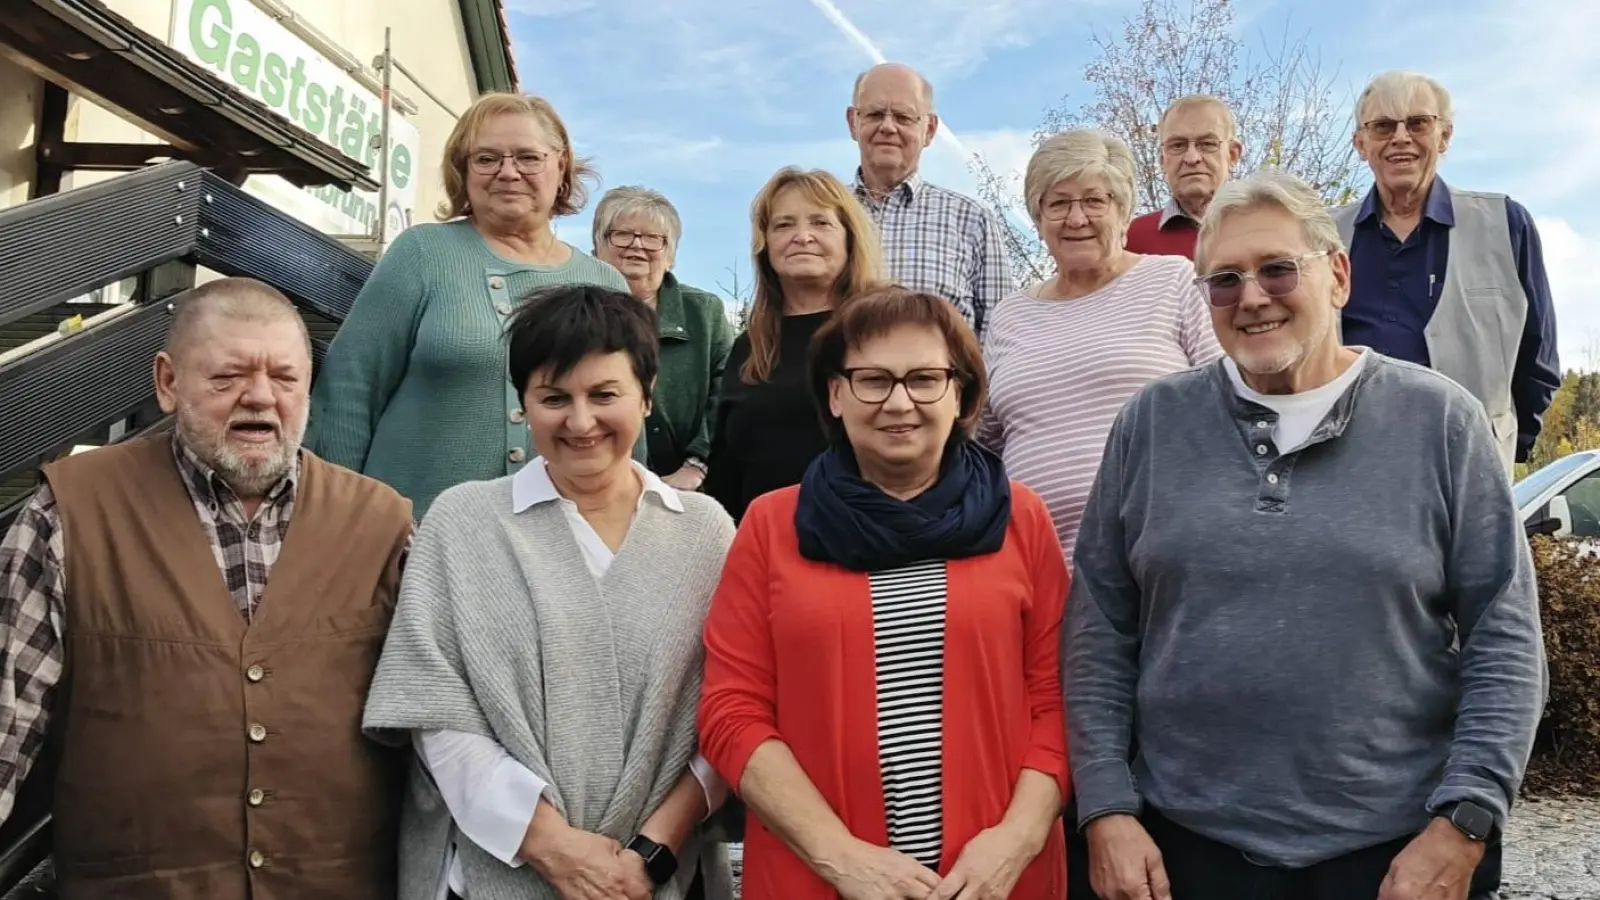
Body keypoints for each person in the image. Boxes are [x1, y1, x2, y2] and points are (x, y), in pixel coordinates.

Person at [1067, 169, 1544, 900]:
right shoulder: (1151, 426)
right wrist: (1105, 808)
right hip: (1186, 850)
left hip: (1395, 855)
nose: (1252, 297)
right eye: (1224, 280)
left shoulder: (1441, 422)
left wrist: (1466, 820)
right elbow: (1099, 628)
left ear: (1340, 275)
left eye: (1278, 268)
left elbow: (1505, 635)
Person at [0, 278, 414, 898]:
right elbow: (6, 719)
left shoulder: (385, 524)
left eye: (285, 377)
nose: (260, 398)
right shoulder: (70, 512)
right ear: (168, 383)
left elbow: (446, 729)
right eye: (227, 378)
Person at [362, 283, 736, 900]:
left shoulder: (707, 535)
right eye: (554, 398)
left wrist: (652, 852)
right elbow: (434, 710)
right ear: (524, 404)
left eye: (604, 395)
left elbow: (733, 711)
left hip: (661, 876)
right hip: (495, 873)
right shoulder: (463, 523)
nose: (580, 421)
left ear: (647, 397)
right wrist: (554, 848)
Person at [700, 286, 1071, 900]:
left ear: (961, 392)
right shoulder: (772, 525)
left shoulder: (1020, 519)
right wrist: (839, 857)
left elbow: (1058, 700)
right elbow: (731, 711)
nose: (900, 403)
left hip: (995, 879)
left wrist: (1017, 839)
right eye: (873, 379)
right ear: (835, 394)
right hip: (818, 879)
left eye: (925, 378)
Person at [307, 91, 633, 519]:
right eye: (486, 159)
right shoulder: (422, 254)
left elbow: (624, 426)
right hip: (410, 540)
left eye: (528, 157)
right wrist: (335, 517)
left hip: (556, 549)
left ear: (561, 165)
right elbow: (350, 389)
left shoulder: (604, 283)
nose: (508, 172)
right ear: (463, 170)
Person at [1332, 70, 1559, 476]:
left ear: (1444, 137)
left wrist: (1503, 444)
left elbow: (1538, 358)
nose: (1400, 137)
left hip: (1468, 471)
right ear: (1360, 144)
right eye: (1383, 126)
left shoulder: (1505, 224)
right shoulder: (1325, 234)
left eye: (1418, 123)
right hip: (1348, 469)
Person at [702, 166, 883, 522]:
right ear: (765, 244)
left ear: (849, 237)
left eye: (820, 222)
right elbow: (726, 472)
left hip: (872, 543)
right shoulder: (748, 348)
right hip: (767, 553)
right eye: (784, 225)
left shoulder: (886, 329)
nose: (802, 236)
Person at [846, 62, 1014, 339]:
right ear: (853, 122)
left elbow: (1000, 336)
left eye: (903, 117)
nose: (888, 127)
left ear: (930, 129)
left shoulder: (971, 220)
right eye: (875, 114)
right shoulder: (824, 215)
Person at [591, 185, 735, 490]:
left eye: (653, 238)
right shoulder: (570, 315)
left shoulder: (703, 313)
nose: (636, 246)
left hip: (692, 490)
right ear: (596, 249)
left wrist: (696, 465)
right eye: (621, 234)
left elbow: (728, 394)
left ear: (671, 257)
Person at [1124, 94, 1243, 258]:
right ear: (1162, 159)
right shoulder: (1130, 242)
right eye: (1178, 145)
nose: (1192, 158)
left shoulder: (1267, 229)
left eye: (1207, 144)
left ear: (1232, 154)